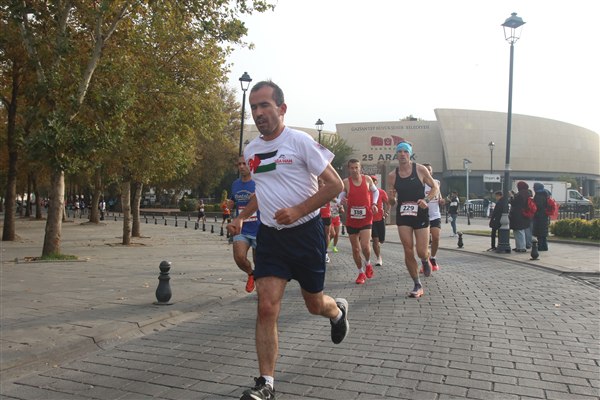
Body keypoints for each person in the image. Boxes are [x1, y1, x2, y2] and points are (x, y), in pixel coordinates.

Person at [227, 80, 349, 400]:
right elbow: (263, 190)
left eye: (264, 105)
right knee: (266, 306)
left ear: (282, 109)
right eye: (253, 107)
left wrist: (298, 210)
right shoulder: (251, 150)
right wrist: (242, 216)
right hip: (271, 237)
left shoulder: (300, 141)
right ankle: (266, 383)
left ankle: (336, 312)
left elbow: (335, 185)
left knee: (314, 304)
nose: (258, 112)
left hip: (306, 234)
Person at [387, 142, 439, 298]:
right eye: (400, 152)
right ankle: (417, 284)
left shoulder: (420, 169)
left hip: (420, 214)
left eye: (405, 151)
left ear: (410, 154)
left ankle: (425, 259)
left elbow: (435, 187)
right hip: (404, 215)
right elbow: (392, 199)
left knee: (421, 251)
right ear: (396, 155)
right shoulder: (392, 175)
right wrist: (391, 199)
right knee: (408, 249)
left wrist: (426, 200)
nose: (402, 154)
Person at [338, 159, 379, 284]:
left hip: (366, 218)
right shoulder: (346, 182)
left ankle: (368, 263)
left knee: (365, 246)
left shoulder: (367, 179)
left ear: (360, 168)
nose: (354, 170)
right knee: (356, 249)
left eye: (356, 167)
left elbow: (375, 191)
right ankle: (361, 273)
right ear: (349, 169)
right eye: (352, 168)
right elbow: (340, 196)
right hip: (352, 220)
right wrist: (341, 202)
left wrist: (374, 204)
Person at [229, 156, 260, 293]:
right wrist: (230, 204)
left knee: (259, 262)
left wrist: (259, 197)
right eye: (239, 164)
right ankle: (250, 273)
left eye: (244, 164)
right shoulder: (235, 184)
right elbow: (232, 200)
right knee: (239, 257)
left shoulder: (259, 182)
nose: (241, 166)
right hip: (241, 228)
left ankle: (261, 287)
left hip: (259, 228)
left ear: (251, 165)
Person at [422, 164, 442, 271]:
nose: (428, 171)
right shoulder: (420, 183)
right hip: (423, 215)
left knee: (436, 237)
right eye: (425, 169)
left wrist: (441, 200)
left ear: (431, 171)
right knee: (424, 242)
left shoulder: (437, 182)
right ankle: (425, 262)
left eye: (429, 169)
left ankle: (433, 258)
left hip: (435, 215)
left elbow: (439, 196)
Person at [370, 175, 390, 267]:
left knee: (381, 240)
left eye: (374, 180)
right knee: (375, 240)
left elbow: (388, 203)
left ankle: (378, 246)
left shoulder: (381, 192)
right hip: (370, 220)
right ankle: (378, 258)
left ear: (376, 182)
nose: (372, 182)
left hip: (380, 219)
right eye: (371, 180)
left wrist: (387, 212)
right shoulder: (366, 192)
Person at [509, 181, 532, 252]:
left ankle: (521, 247)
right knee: (520, 230)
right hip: (523, 214)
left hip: (518, 214)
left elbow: (514, 202)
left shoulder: (521, 194)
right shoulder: (527, 193)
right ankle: (519, 246)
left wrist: (512, 196)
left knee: (519, 231)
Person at [532, 183, 550, 251]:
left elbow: (538, 206)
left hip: (539, 215)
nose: (533, 188)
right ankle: (545, 247)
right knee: (543, 232)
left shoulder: (539, 195)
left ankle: (540, 247)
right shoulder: (545, 194)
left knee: (539, 232)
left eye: (534, 187)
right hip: (544, 215)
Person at [318, 178, 332, 263]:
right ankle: (318, 252)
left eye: (322, 182)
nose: (321, 184)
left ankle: (325, 253)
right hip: (317, 216)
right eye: (319, 182)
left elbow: (334, 198)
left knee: (327, 234)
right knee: (317, 234)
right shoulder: (314, 190)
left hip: (326, 216)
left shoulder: (328, 190)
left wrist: (339, 203)